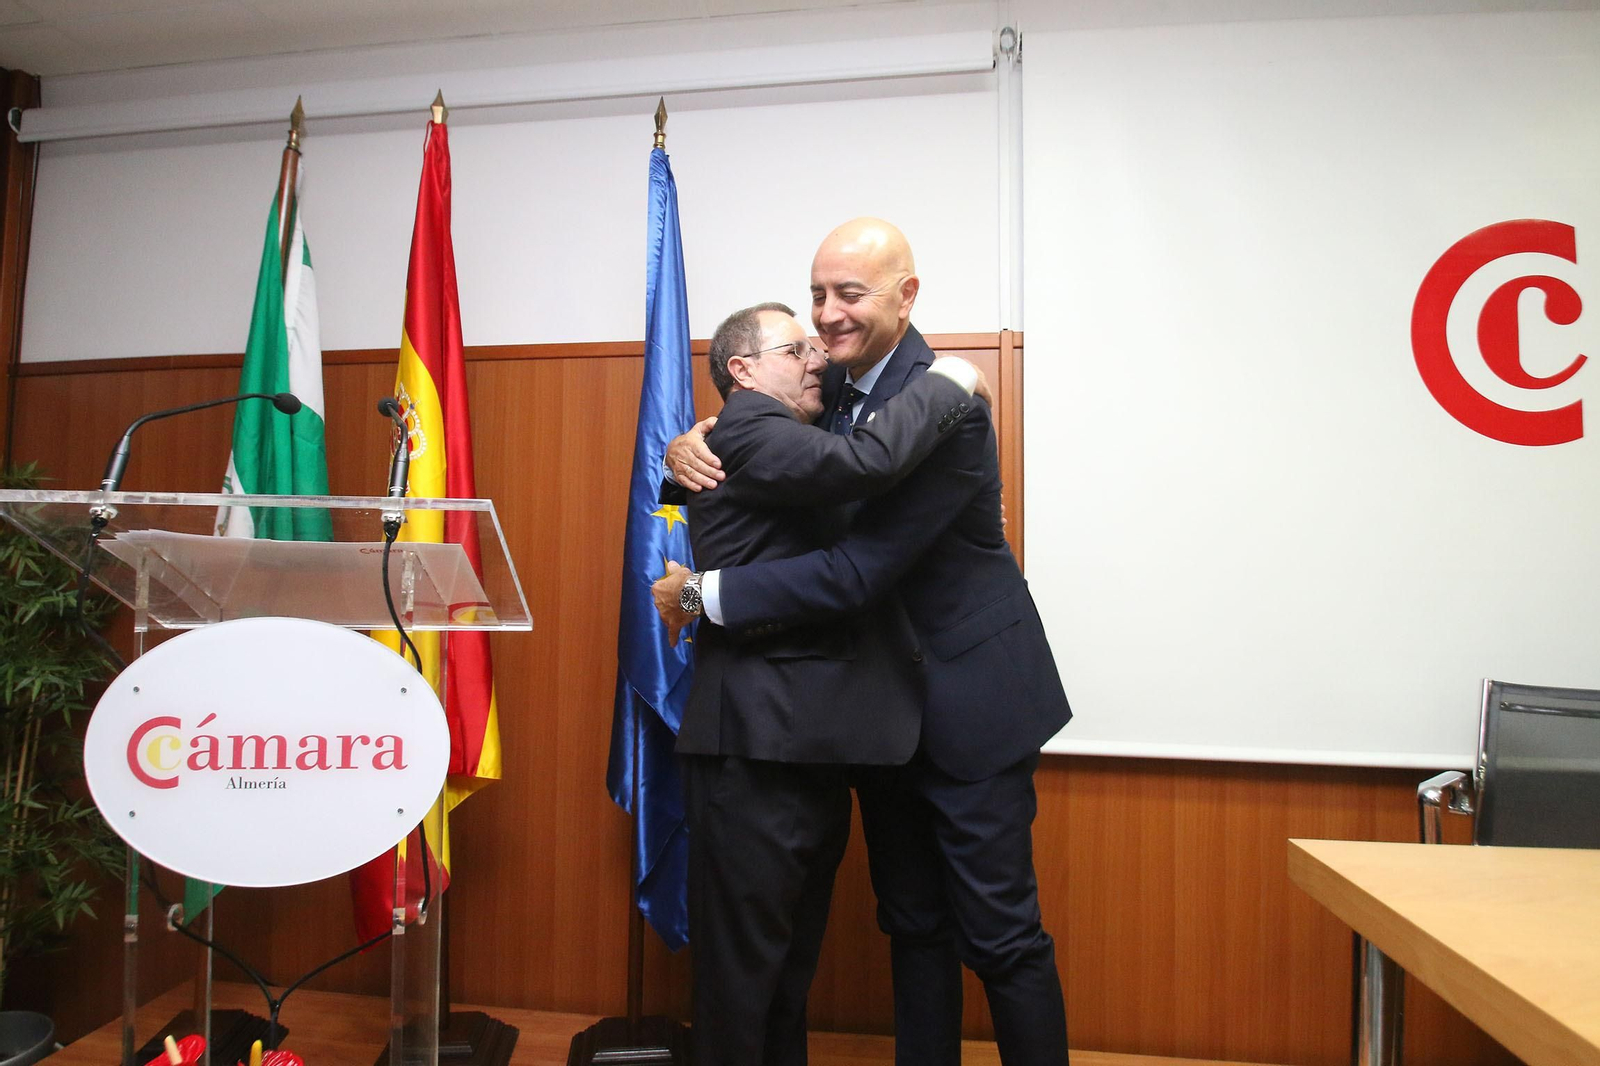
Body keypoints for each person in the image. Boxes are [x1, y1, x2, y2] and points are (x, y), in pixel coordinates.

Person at [657, 218, 1072, 1066]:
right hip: (878, 721)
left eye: (850, 294)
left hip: (973, 702)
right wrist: (692, 443)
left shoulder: (944, 402)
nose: (828, 317)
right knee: (912, 926)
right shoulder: (829, 392)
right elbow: (773, 449)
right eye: (817, 296)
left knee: (1001, 937)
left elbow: (858, 568)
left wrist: (706, 592)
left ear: (905, 296)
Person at [669, 299, 983, 1066]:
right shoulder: (749, 427)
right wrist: (952, 381)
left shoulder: (771, 434)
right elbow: (863, 463)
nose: (818, 359)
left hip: (798, 746)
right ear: (742, 372)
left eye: (817, 348)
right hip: (753, 748)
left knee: (783, 972)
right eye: (795, 348)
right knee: (744, 982)